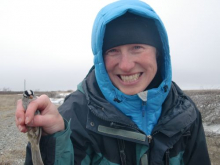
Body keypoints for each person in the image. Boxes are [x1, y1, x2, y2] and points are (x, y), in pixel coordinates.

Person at [15, 0, 211, 164]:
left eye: (137, 47)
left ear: (158, 53)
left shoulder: (185, 114)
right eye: (112, 51)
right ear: (100, 58)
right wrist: (52, 140)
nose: (125, 66)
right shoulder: (73, 115)